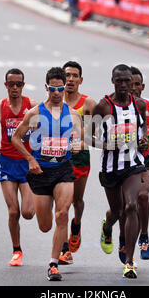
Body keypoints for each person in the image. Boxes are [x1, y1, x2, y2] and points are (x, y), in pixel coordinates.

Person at [11, 67, 83, 281]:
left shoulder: (73, 115)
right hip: (40, 171)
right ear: (47, 88)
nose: (57, 92)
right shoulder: (34, 113)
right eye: (53, 88)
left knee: (62, 214)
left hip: (63, 169)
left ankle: (53, 264)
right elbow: (16, 138)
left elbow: (80, 139)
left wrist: (77, 144)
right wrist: (30, 159)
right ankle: (54, 243)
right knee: (45, 226)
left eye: (60, 88)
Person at [89, 64, 148, 279]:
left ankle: (130, 262)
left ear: (132, 82)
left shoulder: (139, 105)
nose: (123, 85)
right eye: (119, 81)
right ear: (112, 81)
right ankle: (108, 226)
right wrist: (107, 146)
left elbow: (143, 129)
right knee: (117, 211)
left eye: (127, 81)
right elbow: (88, 135)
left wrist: (143, 141)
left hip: (132, 164)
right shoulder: (102, 106)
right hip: (110, 167)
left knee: (132, 206)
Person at [0, 68, 37, 267]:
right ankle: (17, 250)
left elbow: (44, 128)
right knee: (13, 212)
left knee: (28, 213)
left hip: (27, 163)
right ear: (6, 85)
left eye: (19, 84)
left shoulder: (32, 106)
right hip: (6, 163)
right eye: (11, 84)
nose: (15, 88)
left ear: (23, 85)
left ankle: (41, 198)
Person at [121, 66, 149, 262]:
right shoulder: (116, 109)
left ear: (142, 86)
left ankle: (144, 237)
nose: (133, 88)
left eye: (137, 84)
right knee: (123, 208)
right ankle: (122, 238)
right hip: (122, 162)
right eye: (130, 85)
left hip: (145, 160)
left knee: (143, 196)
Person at [58, 61, 96, 265]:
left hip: (80, 157)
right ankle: (64, 250)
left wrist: (81, 142)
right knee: (62, 205)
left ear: (81, 80)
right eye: (67, 75)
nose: (70, 79)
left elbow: (96, 134)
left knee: (76, 202)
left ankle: (77, 223)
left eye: (74, 75)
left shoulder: (88, 104)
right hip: (58, 159)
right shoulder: (54, 101)